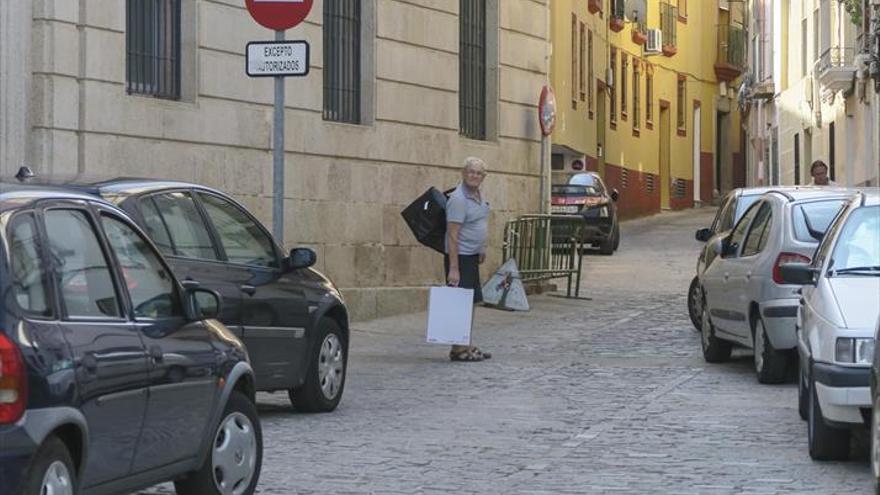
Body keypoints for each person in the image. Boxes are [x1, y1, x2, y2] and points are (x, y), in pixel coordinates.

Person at [445, 157, 492, 362]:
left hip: (472, 256)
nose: (474, 175)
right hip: (461, 257)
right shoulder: (458, 199)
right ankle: (459, 348)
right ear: (463, 173)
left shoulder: (478, 195)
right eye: (471, 172)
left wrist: (481, 248)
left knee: (470, 302)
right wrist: (454, 268)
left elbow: (480, 222)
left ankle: (466, 343)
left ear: (483, 177)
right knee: (461, 304)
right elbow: (452, 234)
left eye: (478, 173)